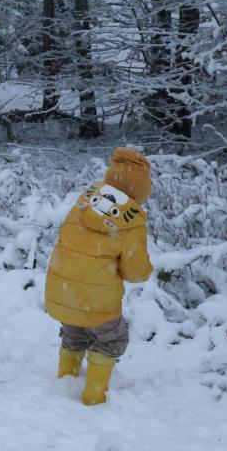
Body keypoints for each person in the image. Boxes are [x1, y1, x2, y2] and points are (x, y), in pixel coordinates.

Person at [43, 147, 155, 405]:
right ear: (139, 192)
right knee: (112, 338)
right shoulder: (131, 222)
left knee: (75, 333)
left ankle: (65, 383)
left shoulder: (84, 201)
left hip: (62, 288)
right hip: (95, 299)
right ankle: (94, 398)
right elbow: (136, 272)